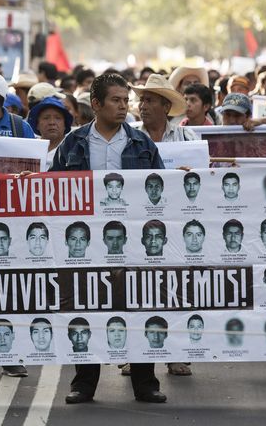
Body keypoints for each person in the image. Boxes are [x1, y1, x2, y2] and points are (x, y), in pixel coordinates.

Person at [50, 73, 166, 404]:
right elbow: (53, 187)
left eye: (125, 101)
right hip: (85, 243)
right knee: (86, 308)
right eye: (116, 100)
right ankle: (84, 383)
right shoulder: (73, 143)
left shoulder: (142, 144)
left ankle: (146, 383)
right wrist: (33, 182)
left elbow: (160, 189)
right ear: (96, 104)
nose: (123, 106)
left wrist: (180, 177)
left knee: (138, 305)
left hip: (131, 241)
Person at [133, 73, 197, 143]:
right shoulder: (131, 138)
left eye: (149, 101)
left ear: (166, 107)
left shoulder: (185, 136)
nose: (143, 106)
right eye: (141, 100)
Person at [26, 96, 74, 168]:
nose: (52, 122)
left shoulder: (73, 149)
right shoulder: (29, 149)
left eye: (58, 118)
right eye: (46, 118)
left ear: (65, 124)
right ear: (37, 125)